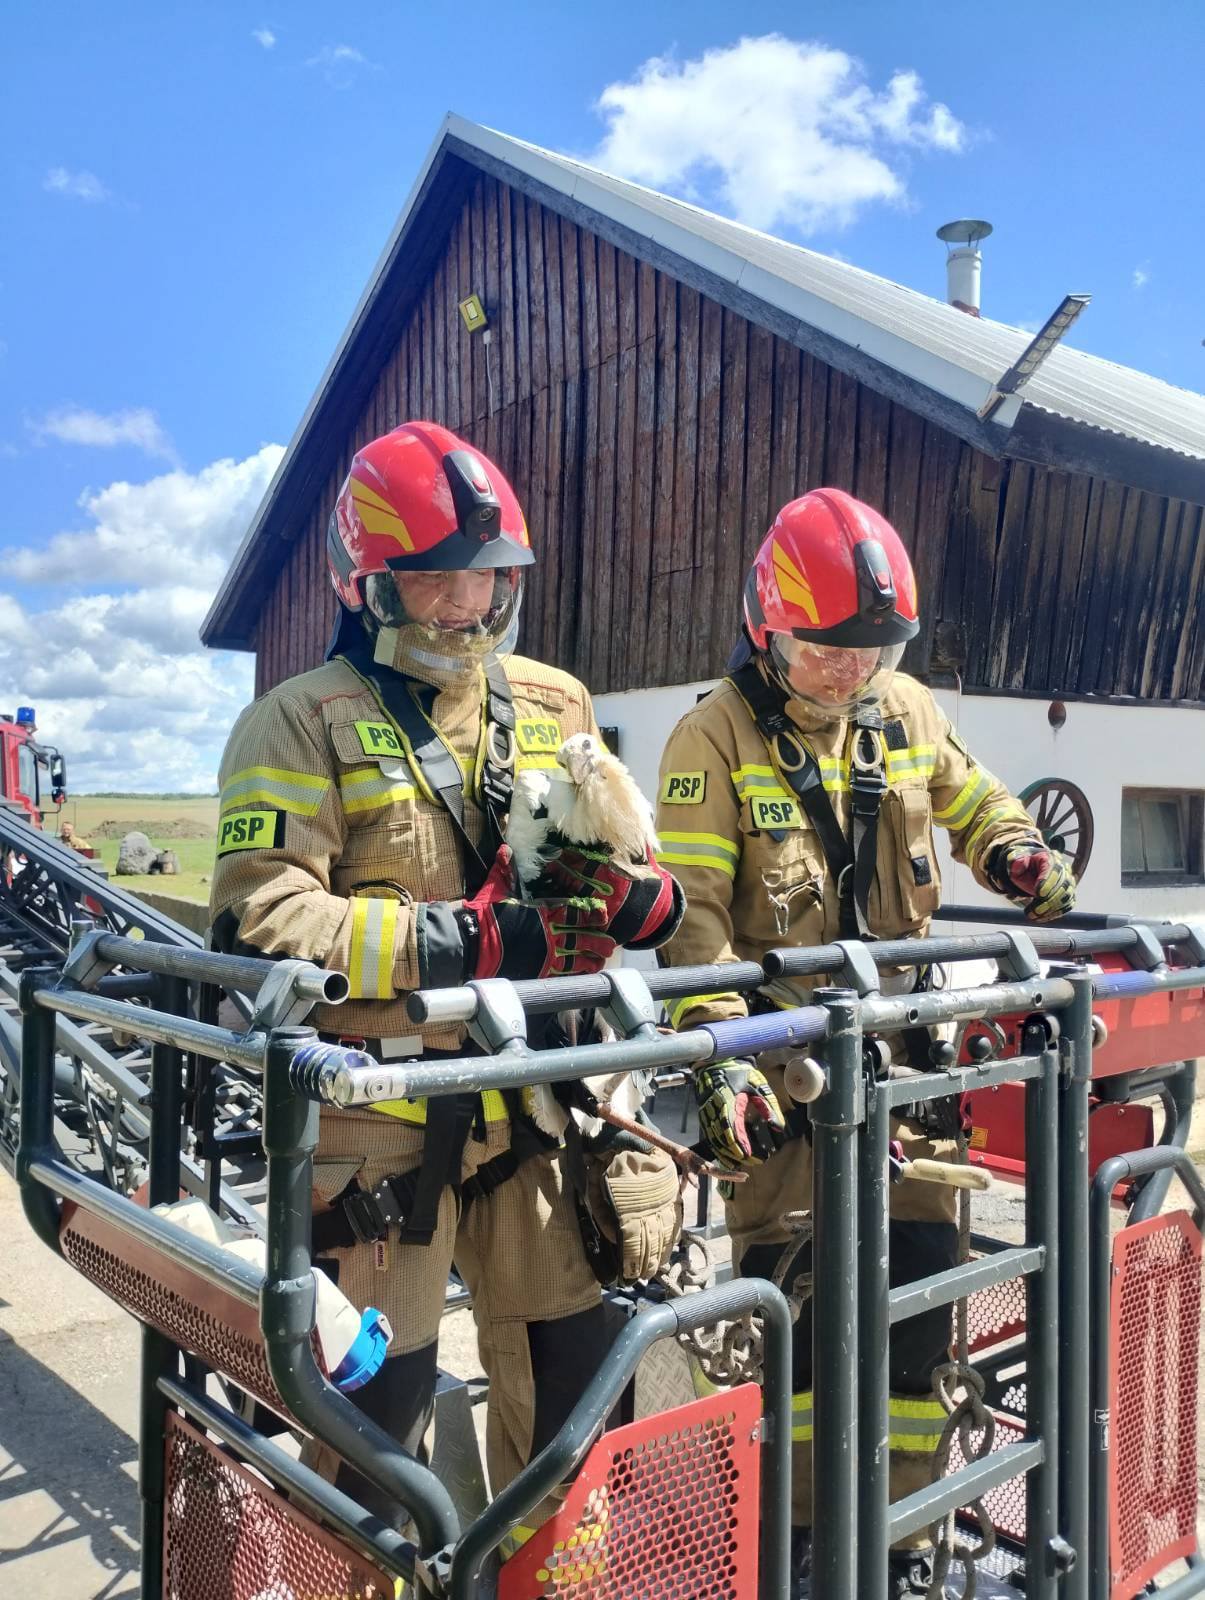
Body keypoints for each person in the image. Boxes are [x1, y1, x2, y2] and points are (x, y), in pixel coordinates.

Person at [209, 421, 683, 1537]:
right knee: (374, 1428)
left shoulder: (557, 704)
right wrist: (461, 947)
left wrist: (633, 899)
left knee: (571, 1391)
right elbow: (260, 917)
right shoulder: (296, 718)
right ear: (364, 584)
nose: (465, 609)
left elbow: (624, 857)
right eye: (432, 583)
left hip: (533, 1102)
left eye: (486, 581)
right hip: (377, 1125)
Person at [654, 487, 1075, 1596]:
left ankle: (895, 1538)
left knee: (918, 1305)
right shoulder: (710, 734)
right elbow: (691, 919)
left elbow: (976, 803)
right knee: (796, 1324)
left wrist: (1020, 856)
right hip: (786, 1086)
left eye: (869, 649)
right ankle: (797, 1551)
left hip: (905, 1081)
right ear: (765, 623)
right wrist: (719, 1051)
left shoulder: (908, 711)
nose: (848, 672)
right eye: (824, 649)